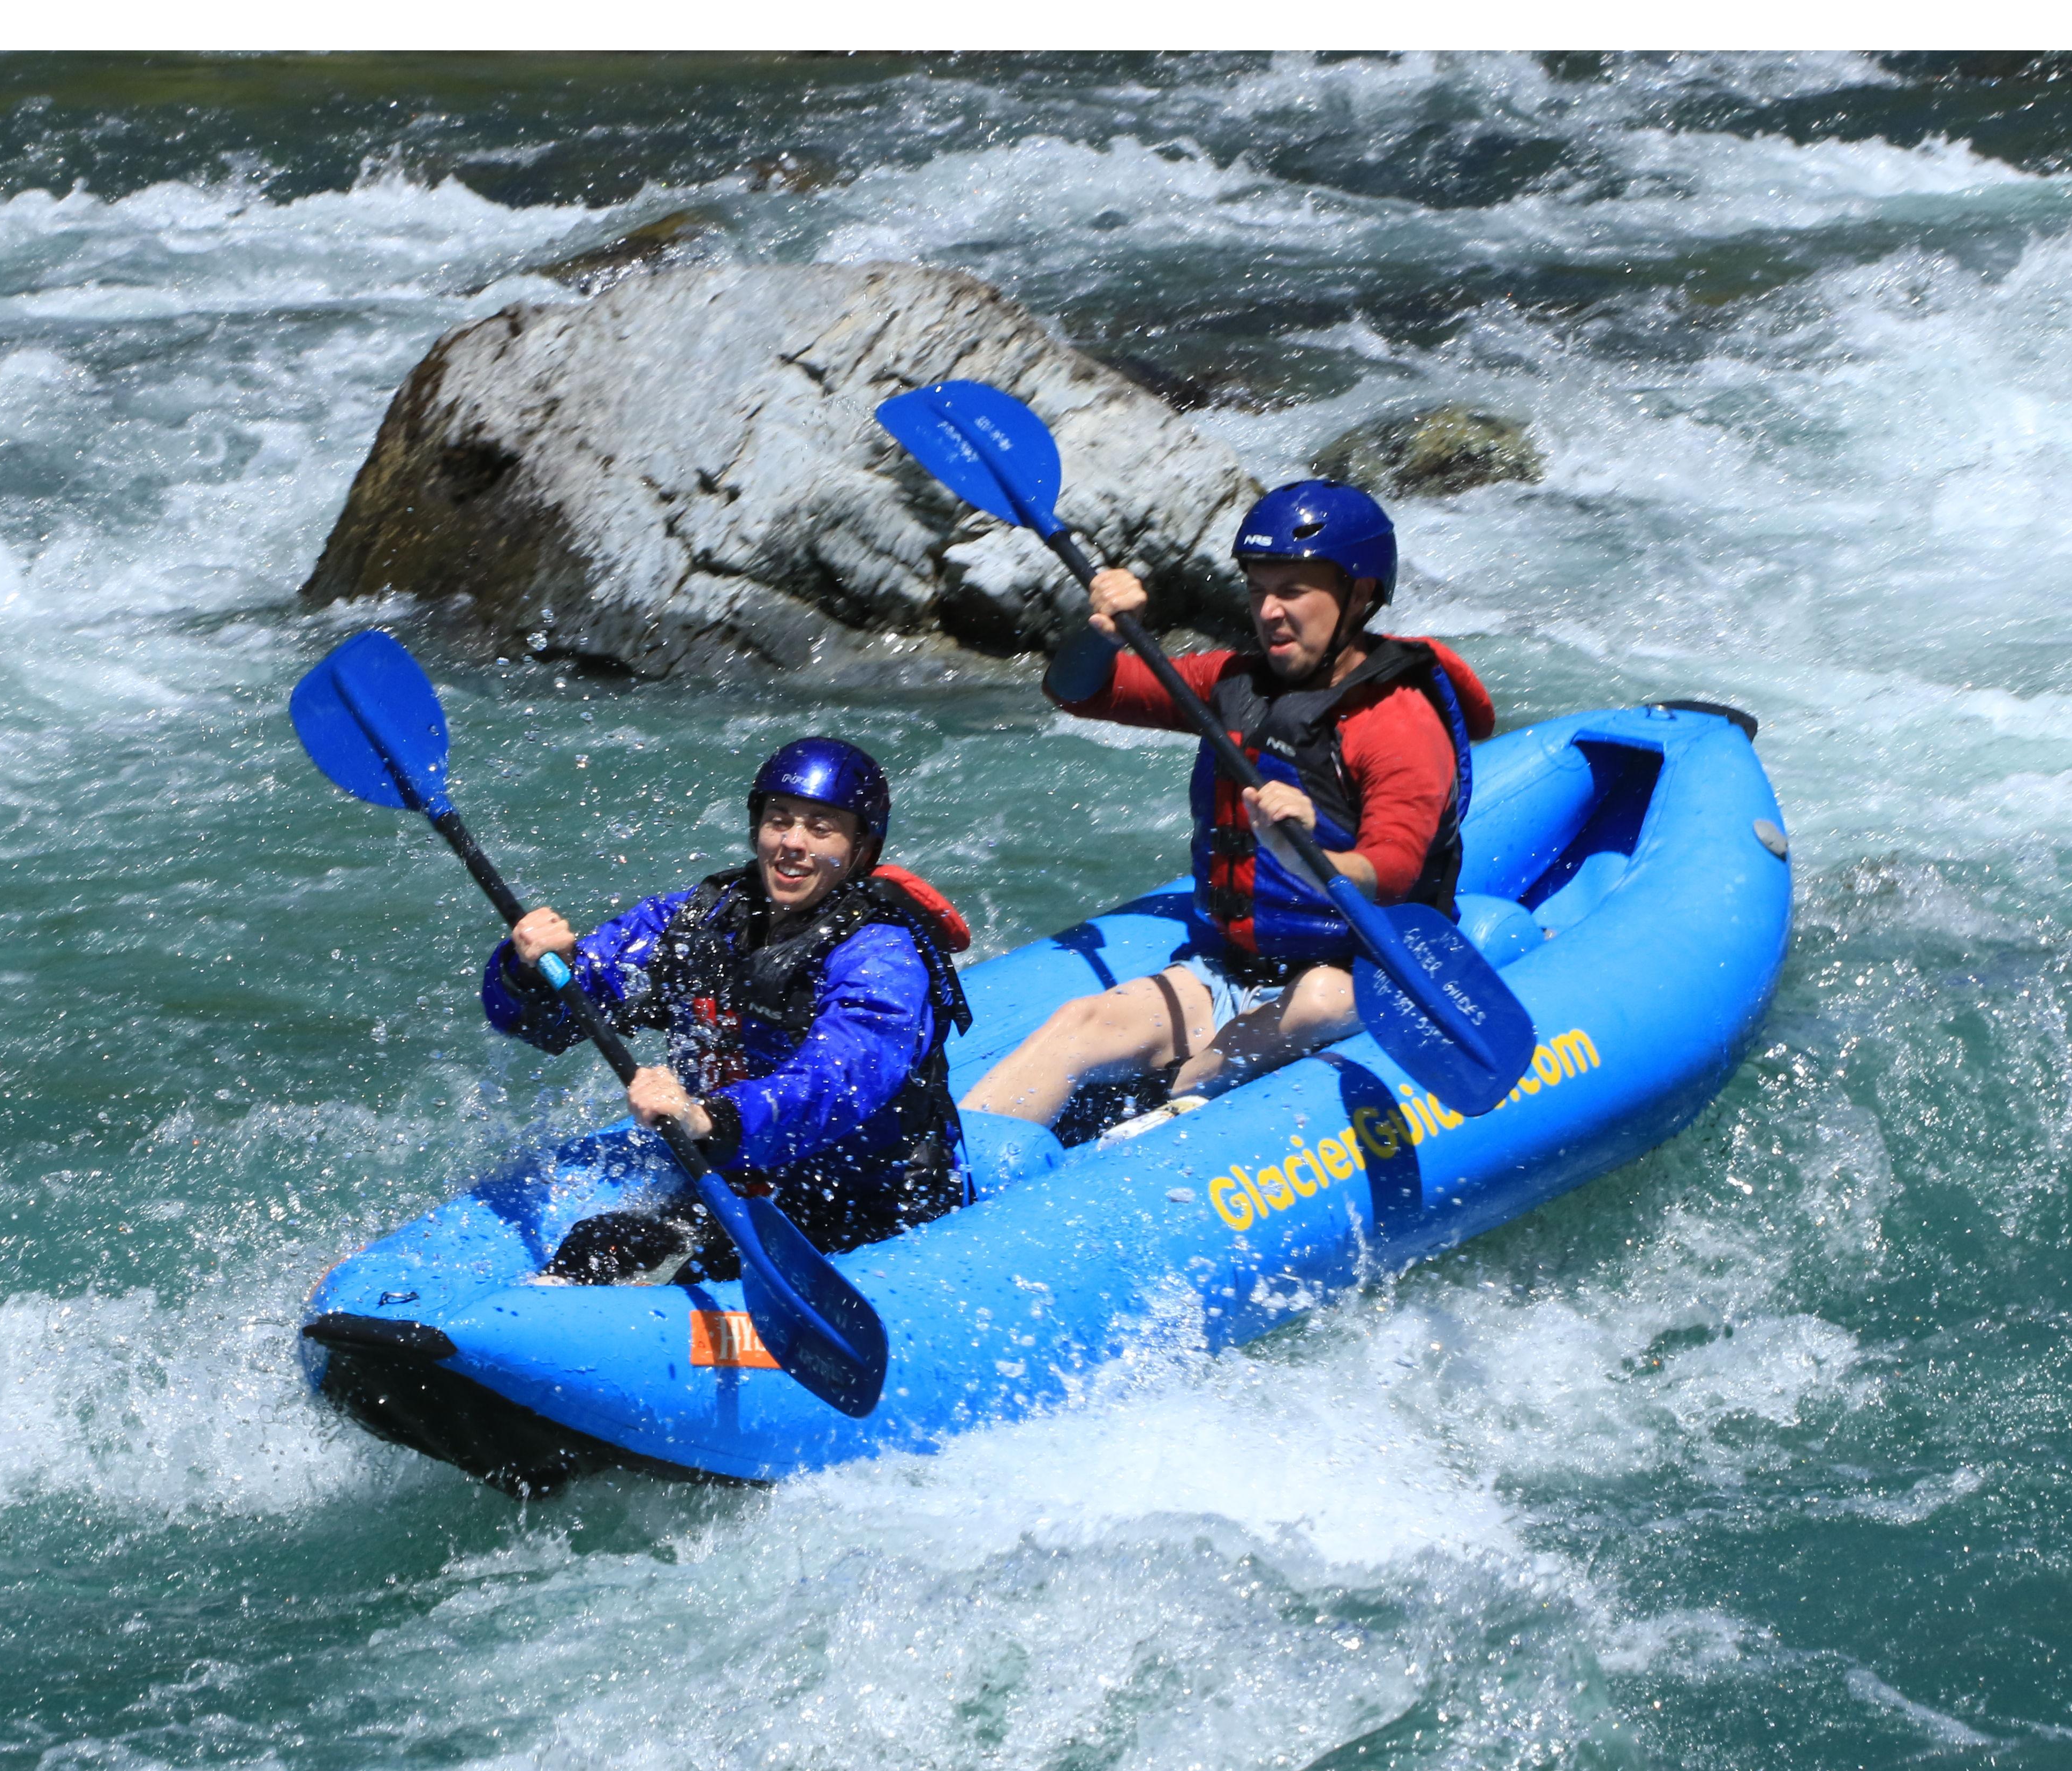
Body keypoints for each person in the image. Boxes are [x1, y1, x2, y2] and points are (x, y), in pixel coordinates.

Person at [961, 479, 1494, 1133]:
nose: (1270, 611)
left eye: (1293, 590)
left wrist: (1302, 852)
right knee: (1082, 1024)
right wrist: (1101, 633)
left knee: (1321, 1001)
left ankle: (1165, 1099)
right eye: (1258, 589)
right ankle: (947, 1178)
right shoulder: (1232, 682)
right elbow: (1082, 691)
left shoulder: (1396, 722)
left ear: (1358, 595)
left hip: (1361, 975)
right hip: (1229, 968)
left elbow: (1392, 873)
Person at [486, 736, 974, 1284]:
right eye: (779, 820)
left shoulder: (881, 953)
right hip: (737, 1174)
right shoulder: (705, 917)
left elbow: (840, 1082)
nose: (792, 842)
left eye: (821, 827)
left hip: (869, 1205)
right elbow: (559, 1018)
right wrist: (533, 972)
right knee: (599, 1245)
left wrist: (712, 1118)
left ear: (861, 849)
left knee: (654, 1256)